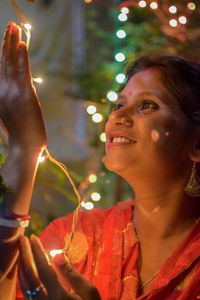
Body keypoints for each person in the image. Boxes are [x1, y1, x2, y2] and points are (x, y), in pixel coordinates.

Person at [0, 21, 200, 300]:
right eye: (119, 105)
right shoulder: (76, 238)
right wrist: (25, 148)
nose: (118, 116)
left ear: (197, 142)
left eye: (147, 105)